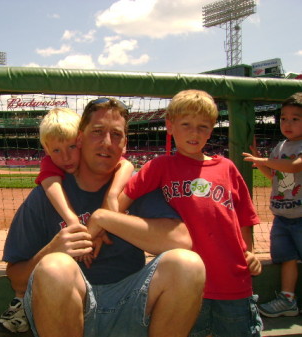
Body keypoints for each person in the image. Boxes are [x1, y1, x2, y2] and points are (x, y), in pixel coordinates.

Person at [0, 97, 205, 337]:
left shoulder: (135, 186)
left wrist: (105, 218)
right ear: (80, 138)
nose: (107, 143)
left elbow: (181, 241)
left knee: (187, 265)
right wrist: (52, 250)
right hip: (66, 310)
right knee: (55, 267)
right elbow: (17, 279)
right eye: (97, 132)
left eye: (116, 135)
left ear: (125, 144)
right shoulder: (46, 195)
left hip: (131, 304)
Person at [114, 90, 263, 337]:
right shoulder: (161, 166)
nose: (194, 133)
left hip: (233, 282)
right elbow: (123, 199)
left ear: (211, 129)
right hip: (187, 287)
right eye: (186, 125)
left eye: (203, 127)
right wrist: (101, 227)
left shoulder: (226, 167)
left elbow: (245, 218)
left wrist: (251, 252)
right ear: (170, 126)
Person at [0, 106, 134, 333]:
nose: (66, 157)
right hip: (60, 295)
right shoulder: (46, 185)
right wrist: (58, 244)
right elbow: (15, 276)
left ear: (80, 141)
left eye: (71, 147)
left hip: (125, 300)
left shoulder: (123, 176)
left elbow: (126, 164)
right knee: (54, 267)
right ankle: (21, 302)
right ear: (47, 150)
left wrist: (109, 199)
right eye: (56, 150)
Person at [243, 92, 302, 318]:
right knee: (286, 258)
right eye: (284, 118)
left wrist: (264, 160)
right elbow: (275, 176)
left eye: (295, 118)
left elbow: (295, 167)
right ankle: (288, 299)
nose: (287, 123)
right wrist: (260, 160)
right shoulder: (280, 146)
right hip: (282, 217)